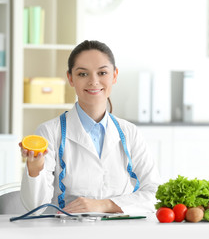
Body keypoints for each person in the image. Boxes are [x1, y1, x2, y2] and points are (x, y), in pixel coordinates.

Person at [19, 40, 161, 214]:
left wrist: (104, 205)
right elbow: (34, 209)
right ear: (70, 78)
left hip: (121, 230)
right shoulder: (49, 132)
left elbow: (155, 193)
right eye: (83, 74)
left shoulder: (129, 132)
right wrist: (35, 169)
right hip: (68, 231)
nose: (94, 81)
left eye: (102, 72)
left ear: (114, 76)